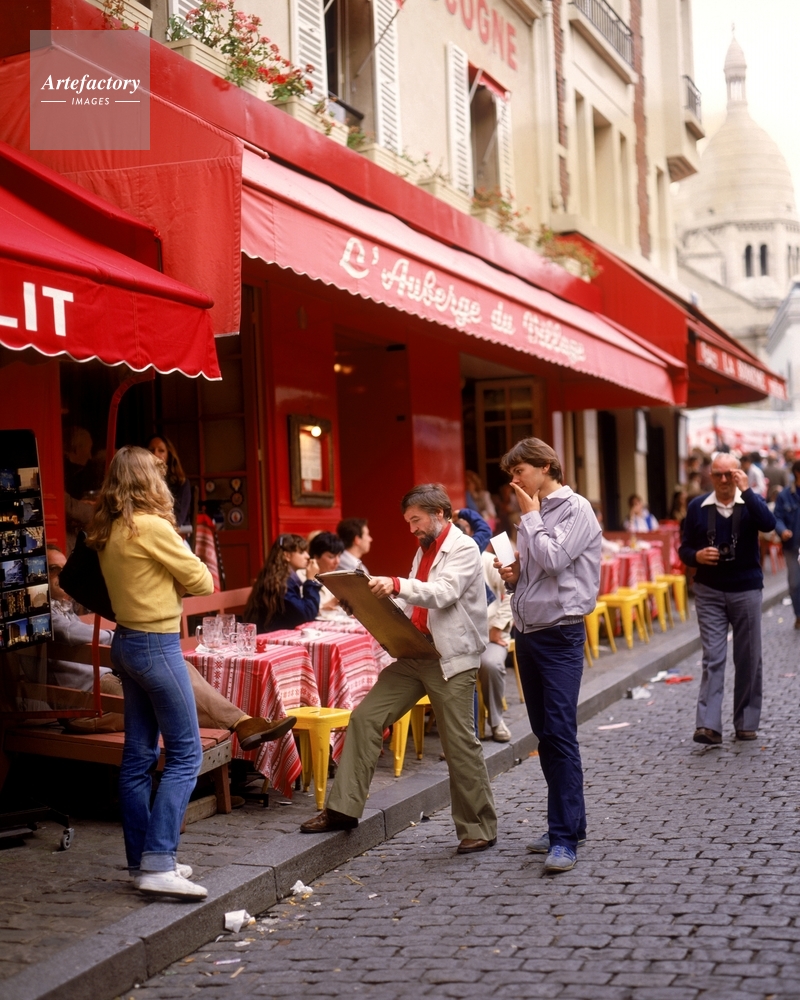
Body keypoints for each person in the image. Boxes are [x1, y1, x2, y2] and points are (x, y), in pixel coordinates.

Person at [301, 483, 498, 855]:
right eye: (409, 521)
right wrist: (361, 603)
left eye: (416, 520)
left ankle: (480, 828)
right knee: (365, 717)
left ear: (439, 514)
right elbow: (412, 606)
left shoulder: (464, 548)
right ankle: (343, 810)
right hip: (415, 652)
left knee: (459, 744)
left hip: (450, 658)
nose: (412, 528)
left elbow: (442, 593)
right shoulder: (424, 548)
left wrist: (394, 584)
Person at [87, 446, 212, 900]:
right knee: (186, 755)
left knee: (138, 757)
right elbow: (203, 582)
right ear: (149, 481)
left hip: (126, 643)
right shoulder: (154, 527)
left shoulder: (109, 528)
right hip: (157, 645)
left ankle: (142, 860)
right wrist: (174, 570)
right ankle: (159, 862)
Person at [47, 545, 295, 746]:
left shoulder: (65, 611)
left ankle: (243, 724)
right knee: (174, 688)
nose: (62, 575)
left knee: (177, 676)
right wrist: (127, 636)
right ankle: (242, 725)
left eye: (64, 568)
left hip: (105, 694)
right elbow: (73, 633)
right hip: (86, 708)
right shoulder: (47, 617)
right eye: (53, 569)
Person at [496, 438, 601, 874]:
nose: (515, 481)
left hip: (560, 634)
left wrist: (530, 517)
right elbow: (541, 567)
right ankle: (572, 823)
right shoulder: (534, 513)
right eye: (512, 474)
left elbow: (556, 559)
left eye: (519, 471)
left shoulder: (577, 509)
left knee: (559, 732)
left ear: (545, 467)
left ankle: (563, 838)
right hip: (528, 633)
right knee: (545, 732)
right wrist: (516, 575)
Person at [679, 452, 776, 745]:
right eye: (718, 474)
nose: (723, 480)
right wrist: (697, 556)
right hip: (709, 591)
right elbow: (684, 549)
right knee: (713, 657)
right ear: (710, 476)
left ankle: (746, 722)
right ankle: (708, 726)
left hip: (746, 589)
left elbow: (768, 524)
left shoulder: (750, 503)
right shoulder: (697, 507)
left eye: (729, 474)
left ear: (738, 474)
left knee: (748, 657)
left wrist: (747, 491)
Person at [244, 534, 322, 632]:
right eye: (302, 552)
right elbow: (307, 615)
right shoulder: (281, 583)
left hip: (278, 632)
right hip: (271, 636)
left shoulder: (281, 578)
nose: (308, 556)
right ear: (287, 556)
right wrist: (311, 580)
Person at [774, 459, 800, 629]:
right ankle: (799, 615)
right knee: (795, 583)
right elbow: (777, 517)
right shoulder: (784, 495)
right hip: (793, 547)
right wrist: (782, 530)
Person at [147, 435, 192, 527]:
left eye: (161, 451)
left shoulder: (181, 483)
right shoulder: (139, 481)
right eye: (151, 450)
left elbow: (177, 519)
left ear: (169, 455)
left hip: (173, 531)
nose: (155, 454)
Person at [307, 531, 346, 619]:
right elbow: (303, 611)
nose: (337, 562)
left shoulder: (336, 578)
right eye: (331, 557)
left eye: (339, 556)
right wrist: (332, 602)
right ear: (316, 556)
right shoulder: (302, 577)